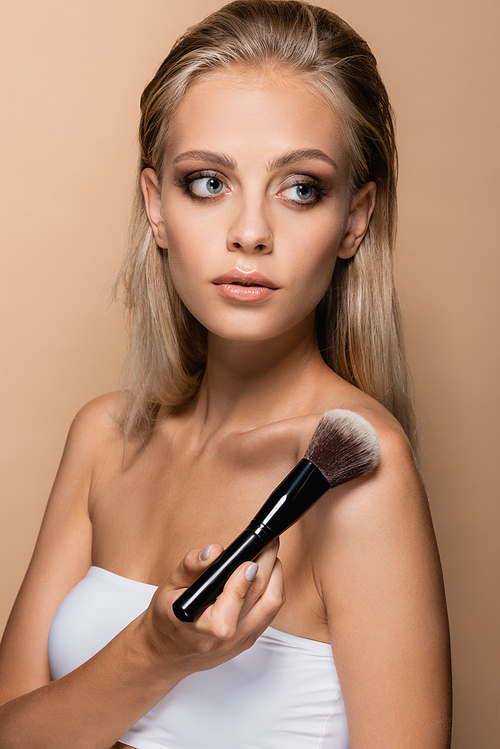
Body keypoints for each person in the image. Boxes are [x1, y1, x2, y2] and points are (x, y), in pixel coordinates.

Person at [0, 1, 452, 746]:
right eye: (208, 182)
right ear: (155, 205)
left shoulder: (357, 473)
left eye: (301, 187)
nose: (249, 232)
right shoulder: (104, 438)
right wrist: (152, 654)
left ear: (354, 219)